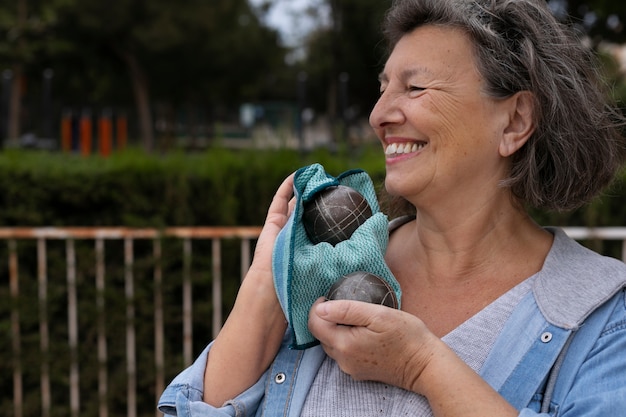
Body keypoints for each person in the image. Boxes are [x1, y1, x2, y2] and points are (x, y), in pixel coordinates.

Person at [158, 0, 626, 415]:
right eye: (383, 88)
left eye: (415, 88)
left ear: (515, 120)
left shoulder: (603, 320)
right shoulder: (324, 264)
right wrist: (267, 283)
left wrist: (422, 367)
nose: (379, 115)